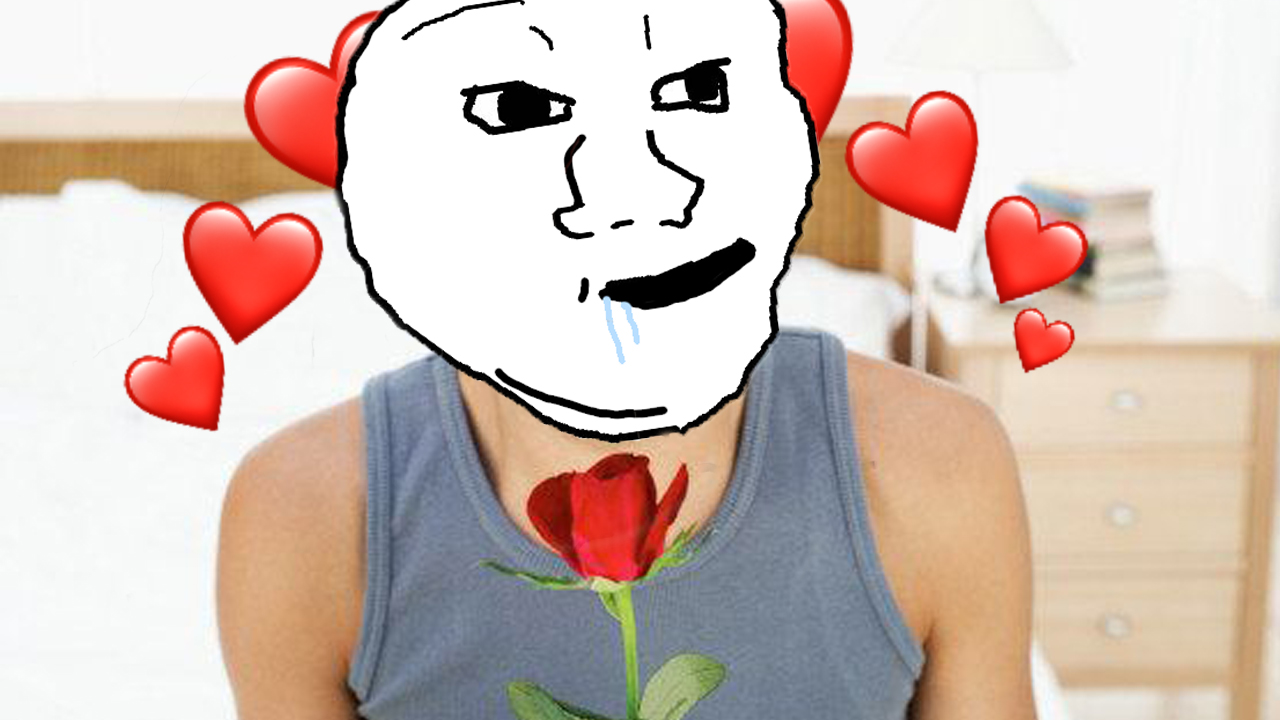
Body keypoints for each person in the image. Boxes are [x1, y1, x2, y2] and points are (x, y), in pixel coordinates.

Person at [217, 0, 1035, 718]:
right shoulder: (303, 514)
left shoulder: (942, 465)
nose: (637, 192)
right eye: (522, 107)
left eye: (695, 91)